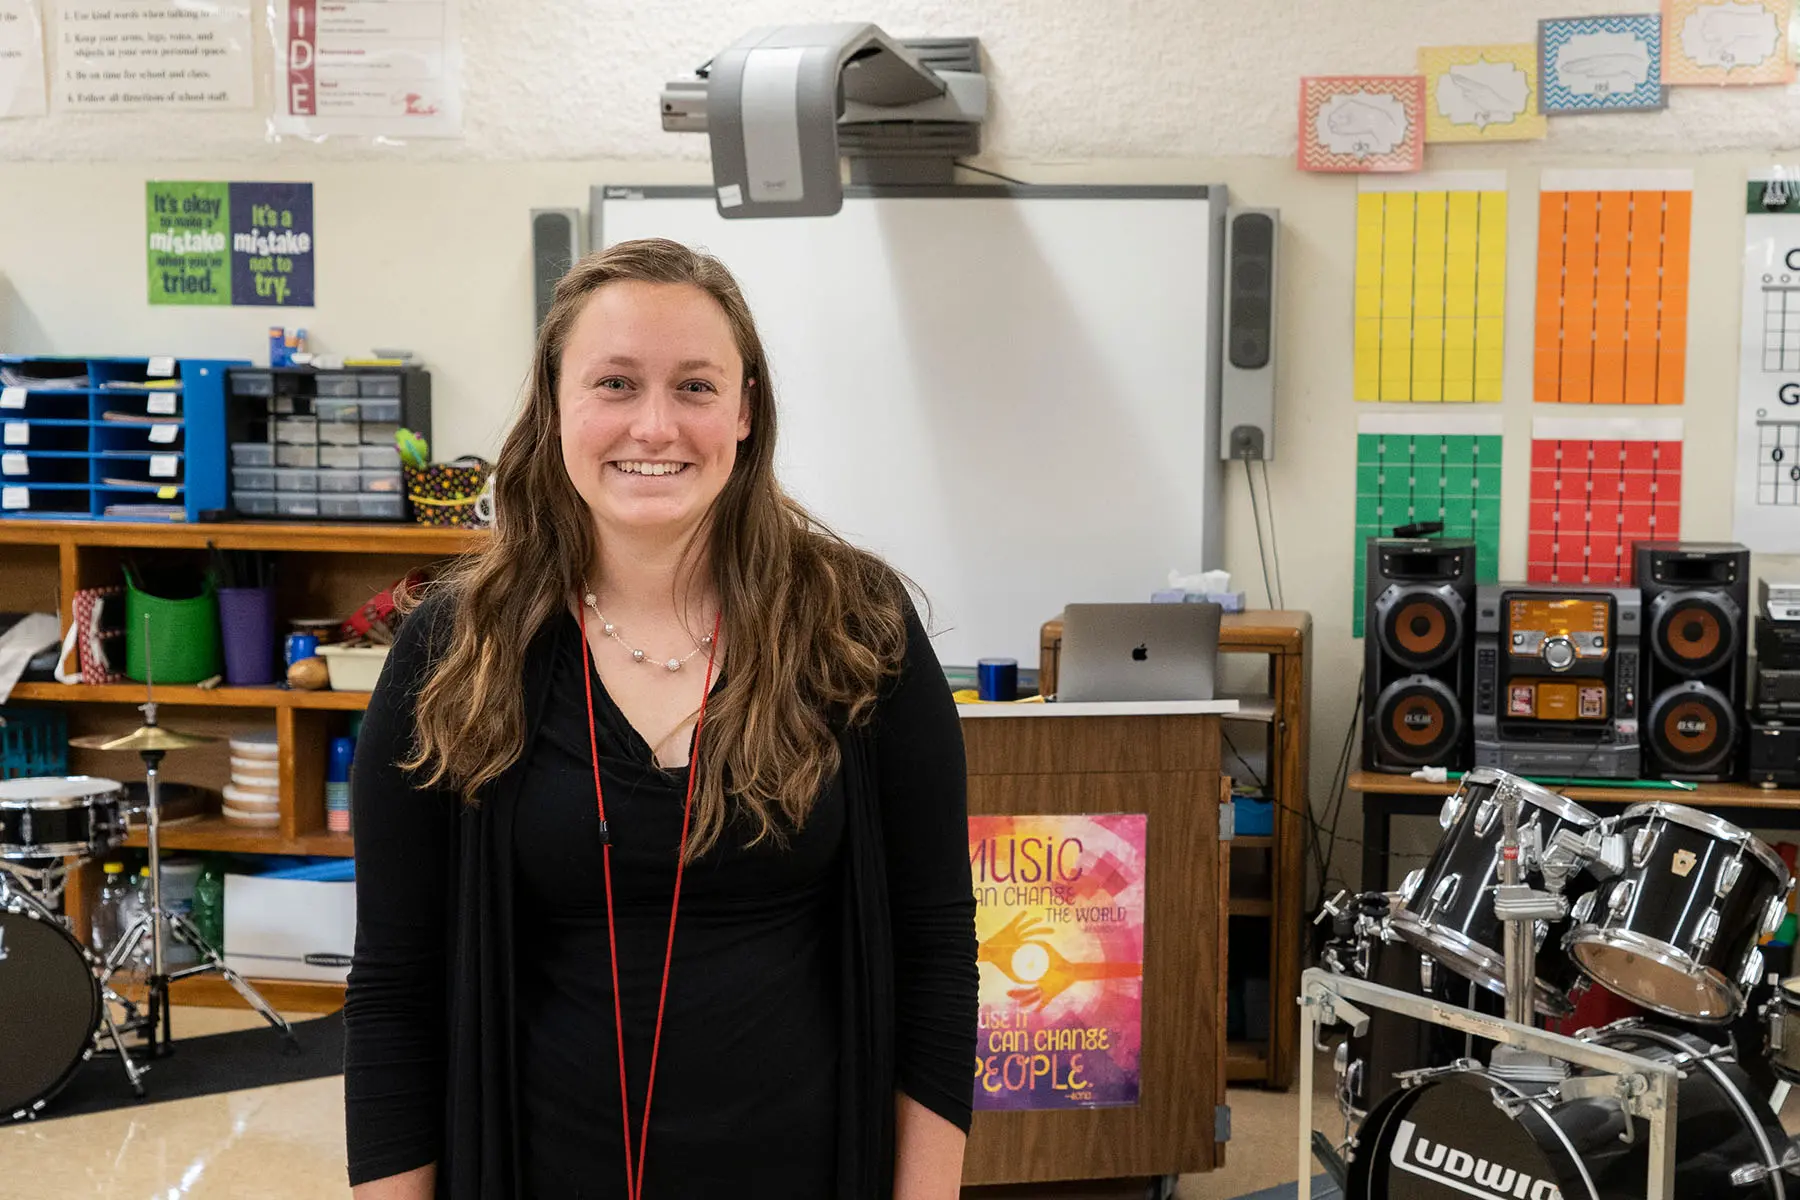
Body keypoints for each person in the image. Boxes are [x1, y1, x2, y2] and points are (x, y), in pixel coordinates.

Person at [343, 238, 979, 1200]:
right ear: (556, 408)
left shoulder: (859, 629)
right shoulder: (452, 651)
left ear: (744, 410)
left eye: (694, 386)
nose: (654, 425)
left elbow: (934, 953)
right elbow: (395, 990)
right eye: (613, 383)